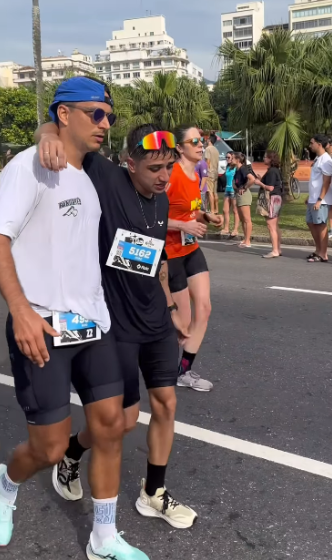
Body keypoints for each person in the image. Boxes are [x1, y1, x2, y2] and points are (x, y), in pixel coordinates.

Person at [0, 76, 149, 559]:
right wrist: (20, 312)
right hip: (42, 325)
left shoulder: (94, 170)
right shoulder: (30, 167)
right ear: (64, 115)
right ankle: (5, 484)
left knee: (111, 426)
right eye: (95, 113)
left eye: (109, 115)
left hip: (94, 323)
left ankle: (103, 537)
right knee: (49, 449)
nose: (105, 123)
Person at [36, 122, 199, 530]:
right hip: (116, 327)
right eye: (154, 169)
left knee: (166, 404)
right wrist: (46, 135)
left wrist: (172, 309)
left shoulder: (161, 202)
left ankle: (153, 493)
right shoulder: (106, 180)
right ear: (130, 164)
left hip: (156, 322)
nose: (164, 177)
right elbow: (60, 132)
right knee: (121, 422)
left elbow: (155, 261)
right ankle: (72, 453)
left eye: (168, 166)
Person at [166, 125, 224, 392]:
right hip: (170, 253)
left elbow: (192, 212)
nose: (201, 145)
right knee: (183, 323)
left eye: (202, 140)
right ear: (179, 147)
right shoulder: (171, 175)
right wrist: (183, 226)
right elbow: (150, 219)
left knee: (205, 308)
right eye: (194, 141)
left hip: (191, 249)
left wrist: (206, 217)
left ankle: (184, 371)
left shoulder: (194, 175)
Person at [306, 134, 332, 262]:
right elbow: (315, 181)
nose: (310, 145)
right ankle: (318, 250)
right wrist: (310, 196)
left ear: (319, 144)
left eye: (312, 143)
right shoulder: (318, 158)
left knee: (321, 225)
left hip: (320, 200)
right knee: (311, 223)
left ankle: (323, 253)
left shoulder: (326, 160)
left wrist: (319, 199)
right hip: (313, 198)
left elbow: (326, 182)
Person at [258, 150, 284, 258]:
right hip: (277, 198)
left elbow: (270, 187)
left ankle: (275, 250)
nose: (264, 159)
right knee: (275, 225)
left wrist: (259, 183)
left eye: (265, 157)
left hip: (273, 198)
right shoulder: (275, 170)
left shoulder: (272, 171)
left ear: (270, 159)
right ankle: (278, 248)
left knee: (271, 225)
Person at [233, 152, 256, 247]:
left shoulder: (243, 168)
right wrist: (236, 187)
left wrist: (245, 187)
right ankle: (245, 238)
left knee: (247, 219)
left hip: (244, 195)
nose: (231, 159)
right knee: (242, 219)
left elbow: (252, 179)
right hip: (238, 194)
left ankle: (248, 241)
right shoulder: (237, 169)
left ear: (238, 160)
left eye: (233, 158)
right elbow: (235, 182)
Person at [220, 152, 241, 238]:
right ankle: (226, 228)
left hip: (233, 190)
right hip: (227, 190)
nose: (228, 159)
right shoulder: (228, 167)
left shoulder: (236, 168)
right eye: (227, 157)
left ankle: (235, 229)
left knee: (235, 210)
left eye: (229, 157)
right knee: (225, 210)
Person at [203, 132, 220, 213]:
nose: (206, 140)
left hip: (209, 172)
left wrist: (205, 173)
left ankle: (212, 210)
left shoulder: (208, 149)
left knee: (209, 192)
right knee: (215, 192)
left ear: (209, 140)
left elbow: (207, 161)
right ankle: (216, 209)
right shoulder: (216, 149)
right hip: (216, 172)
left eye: (207, 138)